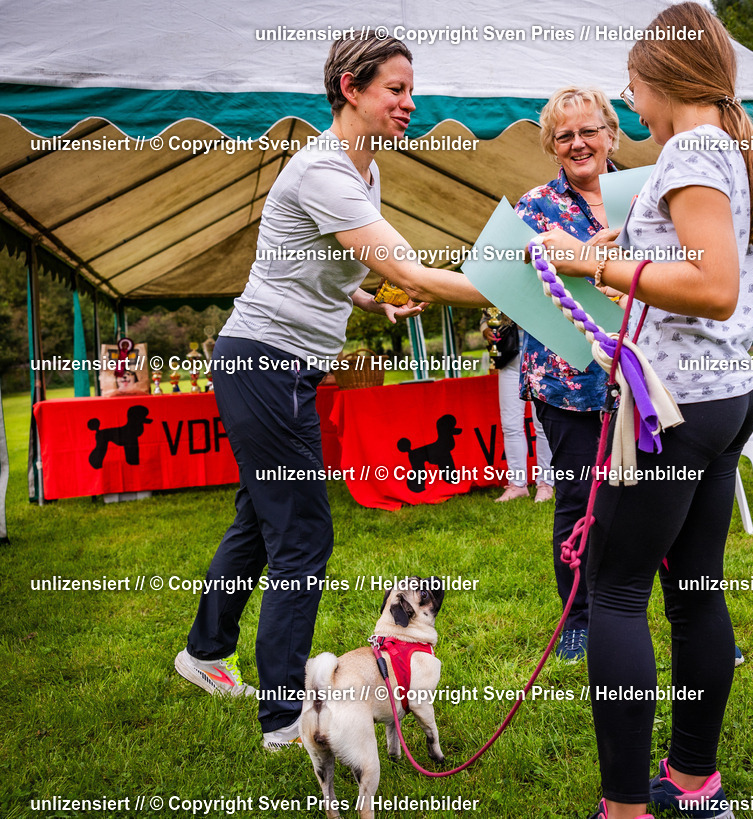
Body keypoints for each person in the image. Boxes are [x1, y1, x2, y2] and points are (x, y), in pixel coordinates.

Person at [174, 32, 489, 751]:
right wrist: (521, 286)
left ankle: (205, 649)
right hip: (266, 363)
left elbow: (336, 267)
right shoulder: (324, 171)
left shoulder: (363, 169)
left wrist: (375, 305)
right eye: (396, 90)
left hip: (277, 364)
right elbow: (411, 269)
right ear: (351, 87)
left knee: (260, 518)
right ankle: (285, 714)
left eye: (412, 90)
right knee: (304, 537)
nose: (412, 103)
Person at [534, 4, 753, 817]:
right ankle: (693, 782)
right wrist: (624, 260)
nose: (631, 107)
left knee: (615, 590)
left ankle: (625, 807)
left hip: (673, 409)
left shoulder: (693, 148)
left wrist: (599, 268)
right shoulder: (737, 150)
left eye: (634, 88)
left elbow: (713, 286)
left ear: (666, 77)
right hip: (723, 395)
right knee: (696, 588)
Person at [513, 86, 621, 661]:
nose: (578, 143)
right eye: (564, 135)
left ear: (610, 133)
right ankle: (577, 617)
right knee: (579, 498)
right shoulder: (534, 206)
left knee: (650, 497)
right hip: (568, 378)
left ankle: (633, 607)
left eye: (588, 130)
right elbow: (520, 290)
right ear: (552, 146)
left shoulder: (645, 196)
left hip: (640, 375)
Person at [481, 315, 554, 502]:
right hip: (508, 356)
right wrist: (485, 329)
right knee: (510, 424)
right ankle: (517, 483)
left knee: (542, 424)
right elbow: (486, 313)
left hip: (542, 354)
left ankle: (546, 483)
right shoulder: (497, 285)